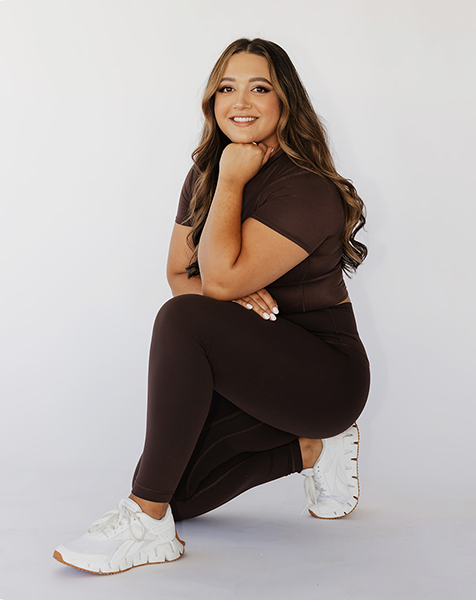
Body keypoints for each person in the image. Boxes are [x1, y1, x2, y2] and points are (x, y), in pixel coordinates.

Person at [53, 38, 370, 575]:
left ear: (285, 101)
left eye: (259, 88)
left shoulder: (307, 188)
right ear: (212, 100)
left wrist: (233, 187)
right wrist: (224, 193)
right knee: (180, 492)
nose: (239, 101)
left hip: (323, 379)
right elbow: (180, 274)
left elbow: (211, 285)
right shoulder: (208, 172)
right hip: (254, 375)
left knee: (182, 320)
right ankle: (311, 451)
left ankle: (145, 520)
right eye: (226, 88)